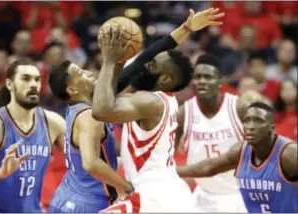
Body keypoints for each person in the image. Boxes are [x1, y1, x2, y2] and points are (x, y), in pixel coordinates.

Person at [92, 8, 224, 213]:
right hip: (169, 194)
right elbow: (131, 71)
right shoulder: (161, 100)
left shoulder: (150, 102)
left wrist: (110, 60)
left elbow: (100, 109)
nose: (144, 66)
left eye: (151, 66)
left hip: (155, 197)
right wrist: (184, 30)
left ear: (165, 79)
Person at [0, 59, 65, 213]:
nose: (33, 84)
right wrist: (0, 172)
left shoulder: (53, 122)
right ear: (10, 84)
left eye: (37, 79)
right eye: (26, 78)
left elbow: (82, 160)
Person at [174, 54, 269, 212]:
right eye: (198, 77)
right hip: (203, 196)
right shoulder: (184, 113)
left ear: (220, 81)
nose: (202, 81)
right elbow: (166, 157)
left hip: (239, 194)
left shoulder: (239, 108)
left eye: (208, 77)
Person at [176, 102, 297, 213]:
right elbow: (209, 167)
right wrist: (169, 171)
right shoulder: (240, 151)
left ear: (272, 128)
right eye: (247, 120)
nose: (250, 126)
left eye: (258, 121)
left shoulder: (289, 154)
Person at [47, 60, 134, 213]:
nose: (89, 73)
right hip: (85, 204)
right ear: (72, 89)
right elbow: (90, 163)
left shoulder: (74, 109)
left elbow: (87, 162)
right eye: (81, 73)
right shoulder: (88, 116)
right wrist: (127, 187)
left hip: (65, 197)